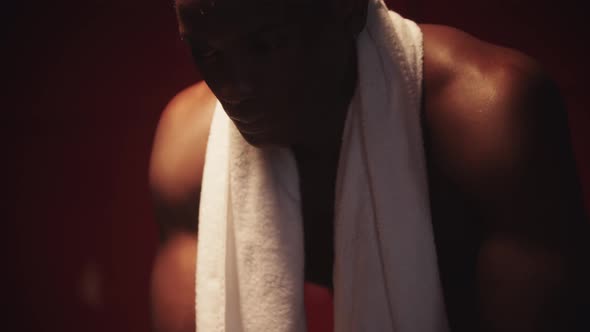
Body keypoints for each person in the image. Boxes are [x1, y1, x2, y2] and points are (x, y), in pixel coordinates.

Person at [149, 0, 589, 331]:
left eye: (267, 44)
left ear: (347, 9)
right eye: (205, 53)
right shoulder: (188, 154)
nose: (236, 88)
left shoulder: (487, 116)